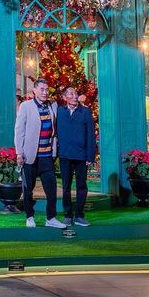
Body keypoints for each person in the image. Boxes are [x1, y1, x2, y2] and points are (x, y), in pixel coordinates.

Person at [14, 78, 66, 229]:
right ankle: (30, 216)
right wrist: (19, 153)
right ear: (34, 91)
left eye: (46, 89)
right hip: (30, 156)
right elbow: (19, 131)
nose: (45, 92)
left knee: (51, 189)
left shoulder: (53, 106)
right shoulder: (26, 106)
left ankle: (51, 218)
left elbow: (55, 130)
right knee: (28, 189)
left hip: (47, 156)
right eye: (42, 89)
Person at [56, 86, 96, 227]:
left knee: (81, 186)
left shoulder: (85, 111)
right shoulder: (59, 112)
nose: (74, 96)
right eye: (71, 94)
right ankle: (67, 215)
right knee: (66, 187)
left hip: (81, 156)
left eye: (76, 93)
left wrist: (90, 156)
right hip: (65, 155)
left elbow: (91, 135)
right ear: (65, 97)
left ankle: (79, 215)